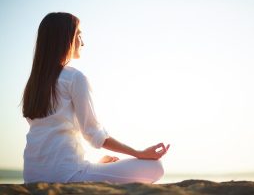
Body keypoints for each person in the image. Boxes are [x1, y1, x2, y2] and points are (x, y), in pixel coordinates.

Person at [22, 12, 170, 184]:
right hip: (67, 176)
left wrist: (95, 167)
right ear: (64, 39)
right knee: (156, 167)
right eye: (78, 35)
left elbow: (50, 138)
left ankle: (92, 169)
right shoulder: (74, 78)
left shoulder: (33, 85)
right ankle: (90, 171)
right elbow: (94, 134)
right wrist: (139, 153)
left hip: (31, 177)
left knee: (94, 166)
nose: (82, 42)